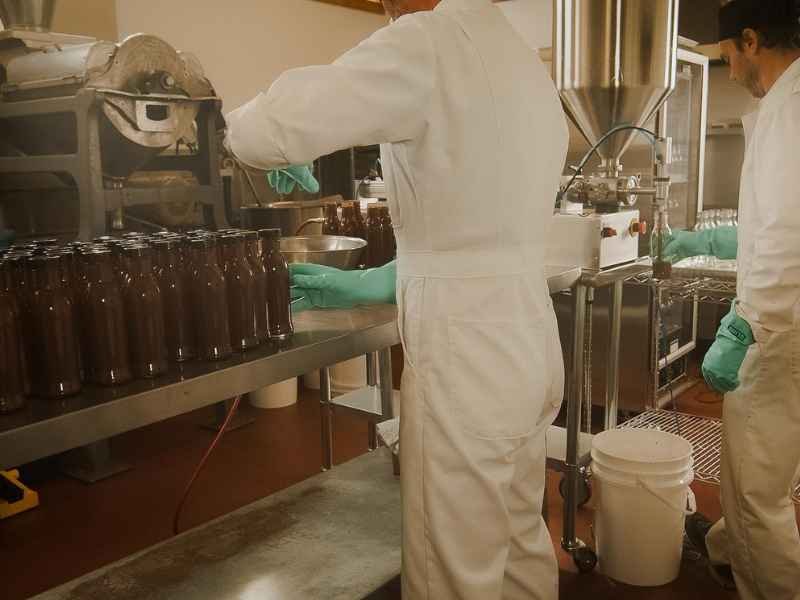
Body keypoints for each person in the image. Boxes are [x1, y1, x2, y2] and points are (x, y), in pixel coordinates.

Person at [225, 0, 568, 598]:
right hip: (527, 330)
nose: (385, 7)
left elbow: (271, 126)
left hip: (468, 344)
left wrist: (224, 126)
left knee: (452, 564)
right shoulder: (519, 56)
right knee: (518, 537)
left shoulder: (429, 40)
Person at [673, 2, 800, 598]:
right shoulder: (783, 106)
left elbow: (788, 238)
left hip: (779, 330)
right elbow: (777, 218)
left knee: (756, 489)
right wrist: (713, 237)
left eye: (727, 56)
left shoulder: (791, 110)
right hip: (784, 323)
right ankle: (724, 548)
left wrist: (743, 325)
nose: (728, 71)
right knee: (757, 465)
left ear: (752, 40)